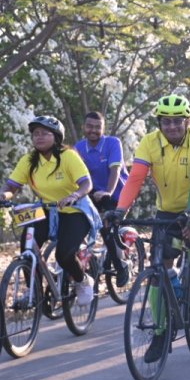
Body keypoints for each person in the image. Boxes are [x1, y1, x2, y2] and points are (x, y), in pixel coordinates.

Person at [111, 95, 190, 363]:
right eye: (166, 122)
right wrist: (120, 211)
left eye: (177, 122)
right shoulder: (149, 142)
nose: (171, 126)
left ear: (188, 121)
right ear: (159, 122)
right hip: (168, 207)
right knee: (159, 267)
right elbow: (136, 178)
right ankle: (161, 331)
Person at [3, 116, 98, 306]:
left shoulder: (68, 156)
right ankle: (35, 290)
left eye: (44, 133)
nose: (38, 137)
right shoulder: (29, 160)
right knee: (27, 244)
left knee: (64, 254)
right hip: (46, 208)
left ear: (56, 137)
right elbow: (11, 186)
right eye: (35, 134)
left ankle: (82, 280)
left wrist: (74, 195)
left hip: (75, 210)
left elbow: (86, 183)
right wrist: (4, 196)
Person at [75, 110, 130, 285]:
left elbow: (114, 170)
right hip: (92, 194)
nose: (93, 130)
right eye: (89, 126)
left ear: (103, 128)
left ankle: (121, 268)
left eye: (98, 127)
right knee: (78, 225)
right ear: (83, 127)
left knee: (106, 228)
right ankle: (86, 263)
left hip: (117, 195)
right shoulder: (78, 147)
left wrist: (107, 191)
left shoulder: (113, 143)